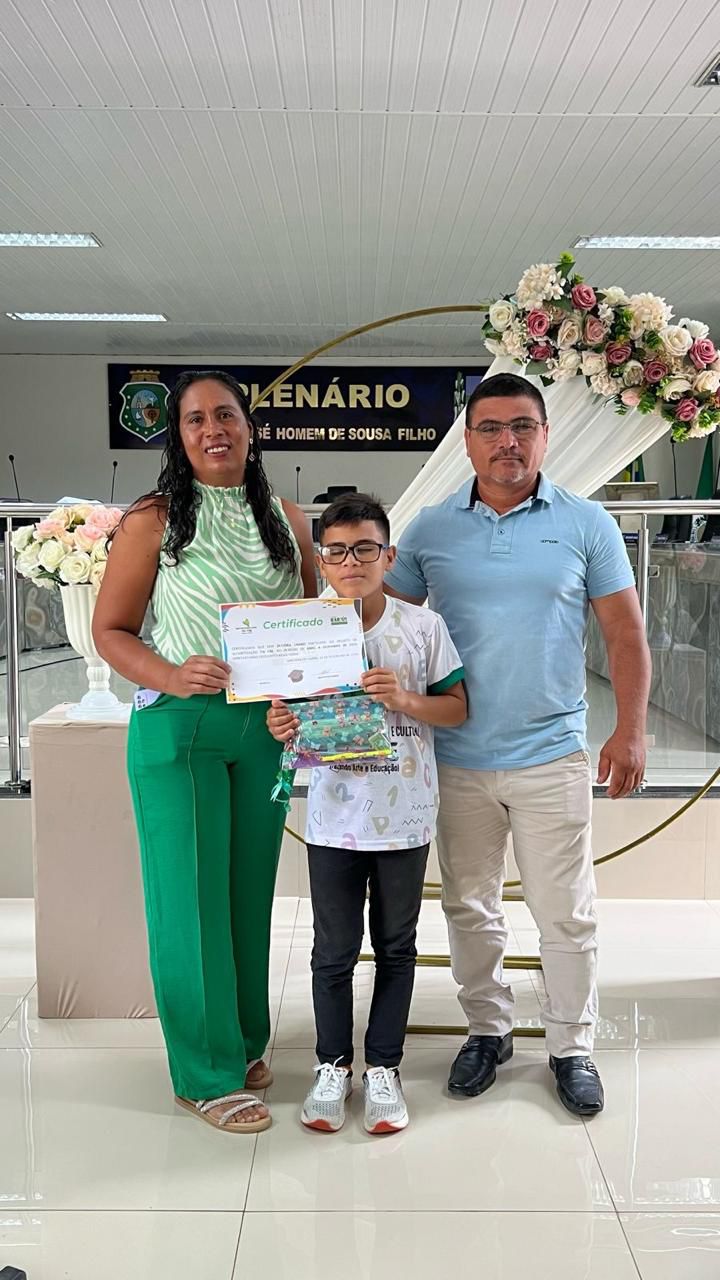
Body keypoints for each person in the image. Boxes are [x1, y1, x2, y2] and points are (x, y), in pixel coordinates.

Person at [385, 372, 650, 1118]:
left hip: (551, 754)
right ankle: (488, 1031)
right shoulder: (430, 530)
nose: (508, 442)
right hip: (454, 757)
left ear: (545, 435)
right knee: (469, 906)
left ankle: (571, 1045)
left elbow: (624, 632)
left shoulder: (587, 523)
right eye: (491, 428)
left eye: (523, 427)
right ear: (467, 441)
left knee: (565, 912)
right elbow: (382, 622)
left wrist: (630, 729)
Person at [93, 369, 316, 1133]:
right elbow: (111, 631)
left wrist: (303, 702)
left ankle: (242, 1043)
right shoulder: (152, 520)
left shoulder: (287, 519)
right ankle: (204, 1073)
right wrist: (170, 673)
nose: (213, 429)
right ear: (178, 436)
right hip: (179, 727)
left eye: (226, 415)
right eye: (195, 419)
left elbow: (311, 627)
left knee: (247, 896)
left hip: (264, 732)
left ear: (251, 427)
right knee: (189, 899)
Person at [267, 493, 466, 1134]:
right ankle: (332, 1065)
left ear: (389, 555)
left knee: (396, 946)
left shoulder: (423, 628)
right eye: (336, 551)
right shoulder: (306, 629)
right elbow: (290, 717)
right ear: (321, 560)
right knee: (332, 949)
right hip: (334, 818)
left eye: (364, 549)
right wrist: (283, 726)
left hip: (406, 815)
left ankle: (384, 1067)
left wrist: (406, 700)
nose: (351, 561)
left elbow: (457, 708)